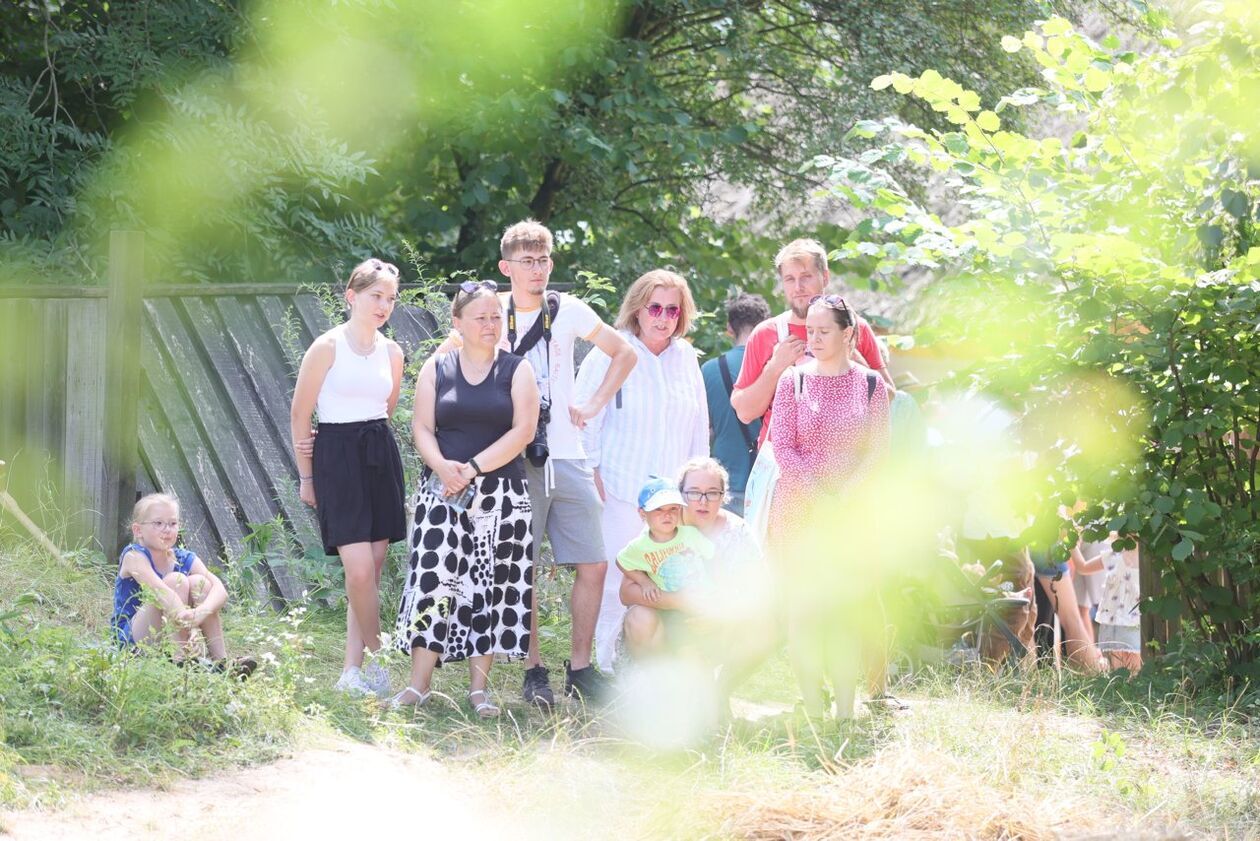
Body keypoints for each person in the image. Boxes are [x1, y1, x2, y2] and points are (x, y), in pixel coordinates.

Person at [439, 221, 636, 707]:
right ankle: (533, 670)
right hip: (512, 456)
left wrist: (593, 404)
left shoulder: (566, 309)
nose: (537, 269)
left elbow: (624, 352)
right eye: (526, 261)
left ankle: (581, 668)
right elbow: (446, 356)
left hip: (567, 452)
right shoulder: (491, 312)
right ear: (505, 267)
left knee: (593, 562)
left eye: (544, 260)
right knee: (520, 567)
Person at [391, 281, 540, 717]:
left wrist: (471, 469)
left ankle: (479, 691)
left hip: (501, 495)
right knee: (432, 581)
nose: (490, 324)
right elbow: (422, 427)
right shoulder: (437, 367)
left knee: (489, 586)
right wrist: (442, 467)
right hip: (442, 491)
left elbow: (523, 431)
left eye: (496, 316)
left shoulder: (518, 370)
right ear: (457, 322)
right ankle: (418, 685)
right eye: (480, 317)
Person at [577, 269, 709, 673]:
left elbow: (698, 427)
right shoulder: (611, 352)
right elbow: (583, 415)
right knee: (618, 580)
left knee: (672, 578)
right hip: (619, 489)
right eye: (655, 307)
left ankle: (658, 667)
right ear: (637, 308)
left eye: (672, 310)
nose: (663, 317)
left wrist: (696, 488)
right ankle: (606, 667)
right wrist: (591, 471)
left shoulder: (686, 358)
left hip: (672, 499)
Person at [768, 294, 891, 719]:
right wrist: (818, 496)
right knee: (804, 612)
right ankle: (812, 707)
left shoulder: (871, 384)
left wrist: (845, 497)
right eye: (810, 331)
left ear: (847, 333)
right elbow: (782, 446)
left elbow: (878, 451)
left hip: (849, 518)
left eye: (823, 331)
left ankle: (845, 710)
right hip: (800, 514)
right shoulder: (793, 381)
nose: (814, 338)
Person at [290, 258, 406, 698]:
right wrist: (307, 477)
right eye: (376, 296)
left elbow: (386, 410)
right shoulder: (326, 347)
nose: (384, 305)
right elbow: (300, 414)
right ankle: (379, 658)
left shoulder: (393, 353)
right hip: (336, 457)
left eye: (391, 298)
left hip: (379, 454)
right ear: (351, 296)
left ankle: (351, 672)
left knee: (372, 570)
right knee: (357, 572)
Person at [732, 238, 892, 536]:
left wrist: (849, 357)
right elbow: (744, 411)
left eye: (806, 276)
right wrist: (775, 367)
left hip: (852, 485)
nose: (798, 287)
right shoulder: (767, 333)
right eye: (789, 279)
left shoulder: (856, 329)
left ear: (825, 277)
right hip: (785, 475)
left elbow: (887, 396)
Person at [112, 493, 252, 676]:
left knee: (200, 583)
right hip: (135, 640)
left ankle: (222, 664)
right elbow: (161, 592)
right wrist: (190, 626)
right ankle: (182, 662)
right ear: (138, 530)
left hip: (172, 629)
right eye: (158, 523)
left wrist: (199, 613)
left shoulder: (183, 557)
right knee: (174, 581)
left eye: (172, 523)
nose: (167, 530)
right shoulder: (134, 556)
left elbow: (220, 591)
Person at [617, 477, 714, 658]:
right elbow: (621, 562)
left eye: (673, 509)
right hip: (670, 609)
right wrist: (644, 581)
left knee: (696, 648)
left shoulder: (690, 534)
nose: (667, 515)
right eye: (659, 509)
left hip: (702, 600)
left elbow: (713, 559)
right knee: (683, 649)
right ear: (642, 513)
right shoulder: (640, 546)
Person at [701, 293, 772, 514]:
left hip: (724, 479)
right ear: (766, 327)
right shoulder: (778, 368)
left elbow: (706, 429)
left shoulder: (709, 370)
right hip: (767, 480)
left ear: (729, 328)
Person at [1075, 536, 1142, 672]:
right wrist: (1072, 546)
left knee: (1136, 663)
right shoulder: (1114, 554)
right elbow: (1083, 567)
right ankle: (1121, 685)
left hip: (1137, 621)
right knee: (1118, 666)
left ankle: (1135, 684)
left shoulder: (1148, 558)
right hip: (1116, 620)